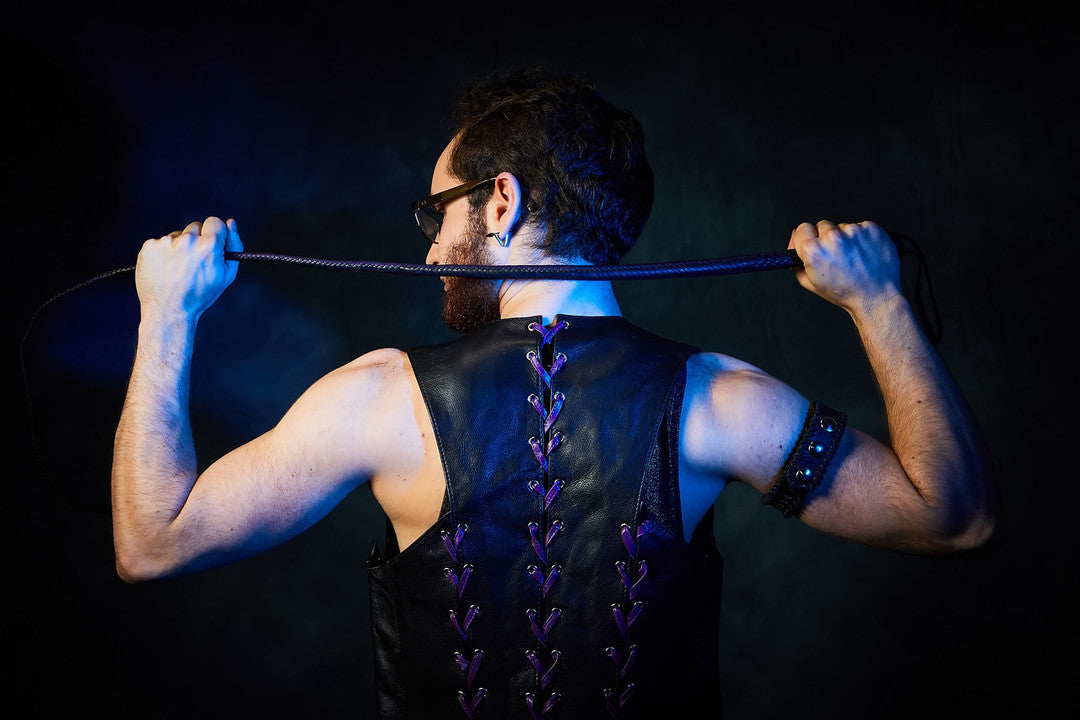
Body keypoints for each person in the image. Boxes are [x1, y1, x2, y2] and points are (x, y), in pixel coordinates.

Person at [110, 67, 995, 719]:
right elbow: (950, 516)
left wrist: (167, 317)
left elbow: (152, 542)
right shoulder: (716, 398)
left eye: (436, 215)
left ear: (500, 203)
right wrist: (879, 303)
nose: (427, 253)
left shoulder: (379, 398)